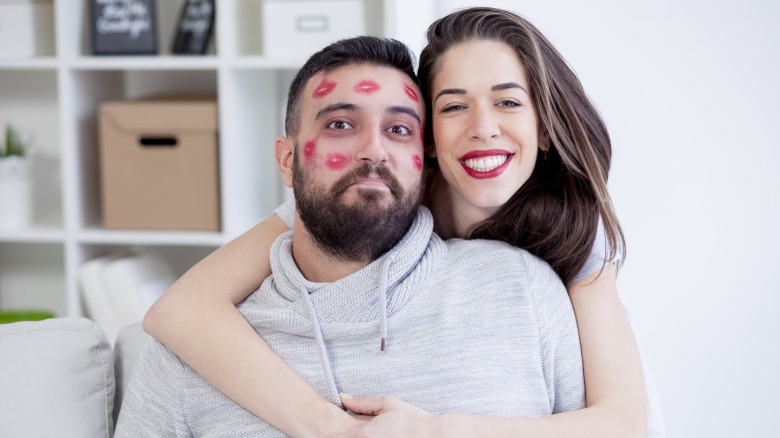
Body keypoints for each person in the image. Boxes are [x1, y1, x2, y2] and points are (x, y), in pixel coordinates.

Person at [144, 7, 660, 437]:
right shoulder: (378, 191)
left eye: (507, 102)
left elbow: (624, 422)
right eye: (455, 106)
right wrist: (334, 427)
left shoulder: (572, 239)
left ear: (545, 127)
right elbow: (180, 309)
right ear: (429, 138)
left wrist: (437, 428)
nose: (484, 129)